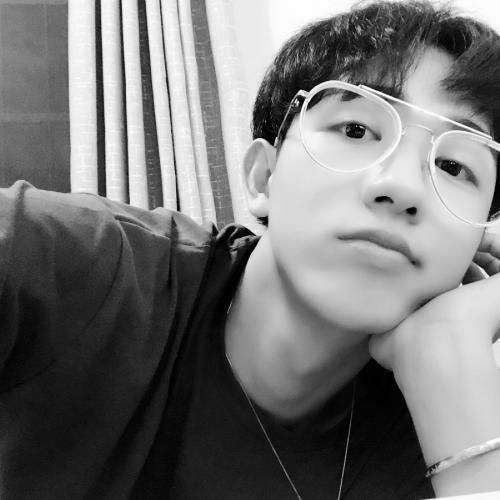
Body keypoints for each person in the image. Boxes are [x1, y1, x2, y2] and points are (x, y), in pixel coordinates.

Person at [1, 0, 500, 498]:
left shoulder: (448, 420)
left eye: (454, 167)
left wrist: (446, 343)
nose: (403, 187)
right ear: (263, 176)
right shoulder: (76, 266)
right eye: (356, 130)